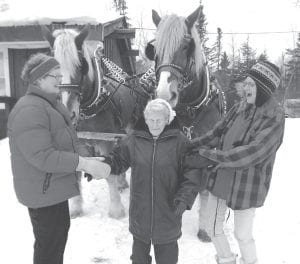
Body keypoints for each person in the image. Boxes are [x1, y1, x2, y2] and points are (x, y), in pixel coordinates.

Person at [7, 53, 109, 264]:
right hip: (44, 193)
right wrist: (83, 163)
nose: (60, 79)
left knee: (54, 242)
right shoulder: (30, 109)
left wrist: (89, 158)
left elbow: (63, 142)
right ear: (38, 79)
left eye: (60, 74)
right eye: (54, 75)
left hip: (51, 190)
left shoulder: (50, 104)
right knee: (49, 249)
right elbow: (43, 156)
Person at [185, 61, 285, 264]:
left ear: (264, 89)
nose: (245, 88)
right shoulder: (239, 108)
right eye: (245, 83)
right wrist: (187, 145)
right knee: (213, 229)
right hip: (221, 176)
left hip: (247, 185)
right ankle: (227, 260)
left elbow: (252, 153)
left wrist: (210, 156)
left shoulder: (274, 116)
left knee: (242, 235)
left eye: (251, 85)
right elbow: (215, 134)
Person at [95, 98, 202, 264]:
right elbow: (118, 160)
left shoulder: (180, 142)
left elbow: (192, 172)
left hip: (169, 211)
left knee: (167, 259)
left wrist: (185, 199)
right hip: (141, 213)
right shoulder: (134, 139)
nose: (155, 124)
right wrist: (102, 166)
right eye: (151, 120)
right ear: (145, 120)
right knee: (139, 259)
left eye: (159, 120)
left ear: (168, 120)